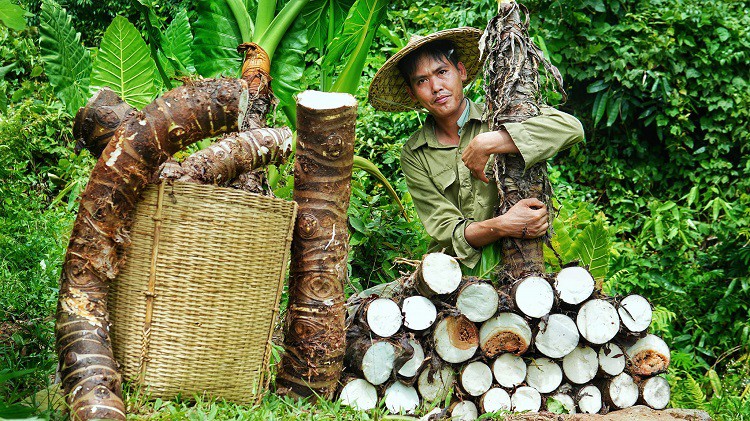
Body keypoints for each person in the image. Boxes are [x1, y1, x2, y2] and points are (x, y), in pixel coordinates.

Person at [368, 27, 584, 269]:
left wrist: (491, 141)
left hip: (521, 261)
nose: (436, 87)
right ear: (412, 93)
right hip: (453, 271)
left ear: (460, 71)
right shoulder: (415, 153)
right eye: (422, 81)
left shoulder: (501, 115)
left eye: (442, 72)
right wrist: (504, 224)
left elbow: (571, 128)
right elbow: (446, 229)